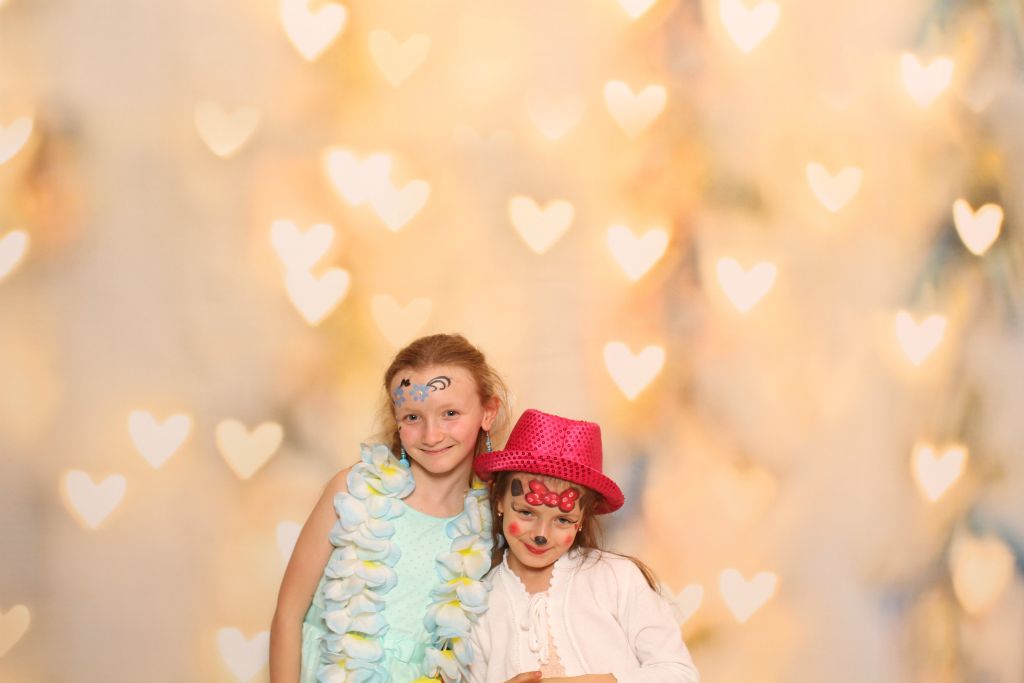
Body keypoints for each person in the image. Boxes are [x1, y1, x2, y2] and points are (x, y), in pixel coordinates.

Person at [270, 333, 516, 683]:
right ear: (396, 418)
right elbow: (288, 614)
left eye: (450, 413)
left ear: (487, 412)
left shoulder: (495, 521)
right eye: (413, 417)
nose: (432, 435)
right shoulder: (352, 492)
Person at [469, 409, 701, 683]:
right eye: (526, 513)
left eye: (563, 520)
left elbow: (679, 673)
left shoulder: (616, 578)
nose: (541, 535)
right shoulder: (479, 602)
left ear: (582, 519)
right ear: (498, 500)